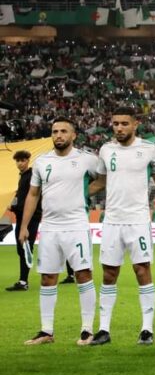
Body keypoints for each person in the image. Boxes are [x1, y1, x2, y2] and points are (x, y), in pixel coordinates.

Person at [88, 106, 155, 346]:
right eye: (115, 124)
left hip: (138, 221)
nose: (119, 128)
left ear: (135, 124)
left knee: (142, 271)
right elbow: (100, 182)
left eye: (124, 123)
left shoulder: (150, 149)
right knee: (109, 273)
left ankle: (147, 329)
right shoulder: (106, 149)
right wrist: (73, 194)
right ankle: (103, 329)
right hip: (112, 221)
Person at [19, 117, 99, 345]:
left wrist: (85, 192)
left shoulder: (86, 159)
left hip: (76, 226)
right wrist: (24, 226)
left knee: (83, 274)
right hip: (50, 228)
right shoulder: (42, 161)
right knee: (47, 278)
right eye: (55, 131)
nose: (59, 135)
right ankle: (46, 331)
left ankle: (87, 330)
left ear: (73, 135)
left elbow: (104, 179)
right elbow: (33, 194)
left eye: (64, 131)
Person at [6, 150, 41, 291]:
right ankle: (23, 280)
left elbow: (29, 199)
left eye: (22, 160)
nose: (20, 163)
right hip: (23, 217)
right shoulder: (24, 176)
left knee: (25, 248)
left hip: (30, 217)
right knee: (22, 249)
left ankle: (23, 281)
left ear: (28, 161)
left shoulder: (30, 176)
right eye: (18, 161)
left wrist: (13, 207)